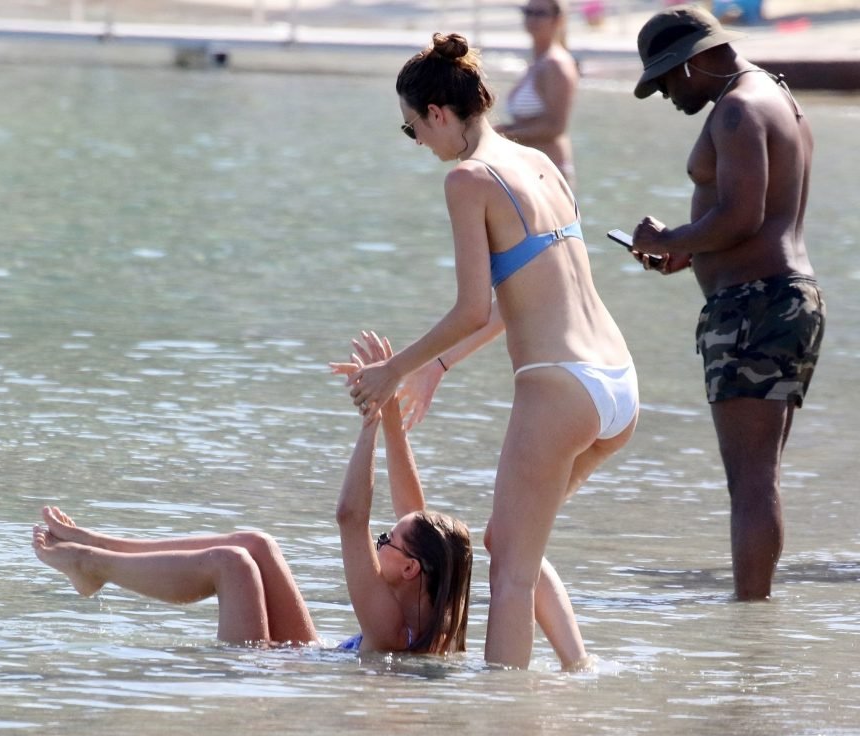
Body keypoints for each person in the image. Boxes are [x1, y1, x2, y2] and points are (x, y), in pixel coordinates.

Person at [342, 33, 637, 669]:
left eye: (412, 128)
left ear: (438, 113)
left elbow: (473, 308)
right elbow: (523, 297)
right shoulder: (541, 163)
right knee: (509, 542)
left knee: (511, 578)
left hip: (560, 386)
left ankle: (505, 714)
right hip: (617, 383)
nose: (419, 143)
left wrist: (393, 371)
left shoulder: (468, 179)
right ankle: (581, 671)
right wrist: (437, 366)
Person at [34, 336, 586, 665]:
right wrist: (391, 411)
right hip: (308, 654)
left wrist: (368, 421)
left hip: (263, 674)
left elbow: (350, 516)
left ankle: (94, 566)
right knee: (257, 543)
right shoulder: (434, 607)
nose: (379, 541)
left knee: (232, 564)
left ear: (410, 567)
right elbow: (411, 514)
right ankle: (97, 544)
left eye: (386, 541)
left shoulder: (391, 629)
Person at [627, 5, 825, 601]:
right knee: (760, 478)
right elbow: (761, 216)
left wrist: (669, 239)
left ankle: (748, 620)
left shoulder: (737, 109)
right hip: (787, 300)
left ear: (692, 63)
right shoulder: (776, 96)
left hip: (753, 307)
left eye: (666, 80)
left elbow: (743, 215)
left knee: (750, 482)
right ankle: (756, 618)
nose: (666, 95)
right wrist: (690, 252)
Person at [495, 0, 579, 185]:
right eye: (528, 12)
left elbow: (555, 127)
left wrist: (500, 137)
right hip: (528, 170)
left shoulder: (556, 64)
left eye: (540, 13)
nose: (532, 19)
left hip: (549, 172)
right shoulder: (537, 62)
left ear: (559, 20)